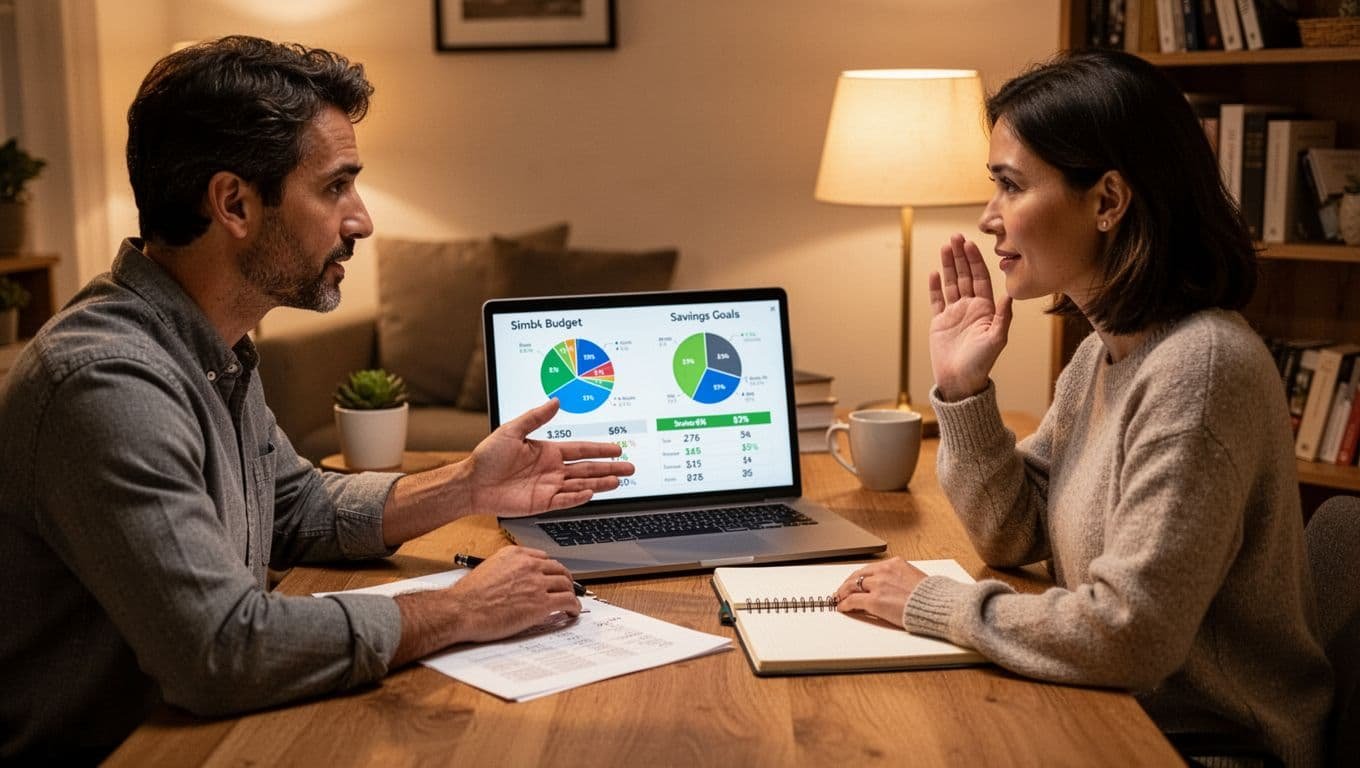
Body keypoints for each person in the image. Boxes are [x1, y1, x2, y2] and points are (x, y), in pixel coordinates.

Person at [0, 36, 633, 762]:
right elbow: (223, 650)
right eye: (335, 188)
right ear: (234, 203)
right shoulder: (108, 383)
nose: (361, 220)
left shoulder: (211, 347)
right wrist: (460, 609)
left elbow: (295, 508)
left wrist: (467, 485)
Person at [833, 49, 1332, 765]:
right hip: (1114, 709)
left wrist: (929, 603)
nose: (988, 217)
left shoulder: (1201, 371)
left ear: (1107, 202)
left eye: (1010, 186)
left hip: (1206, 746)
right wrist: (965, 391)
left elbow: (1130, 635)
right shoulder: (1105, 352)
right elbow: (1016, 534)